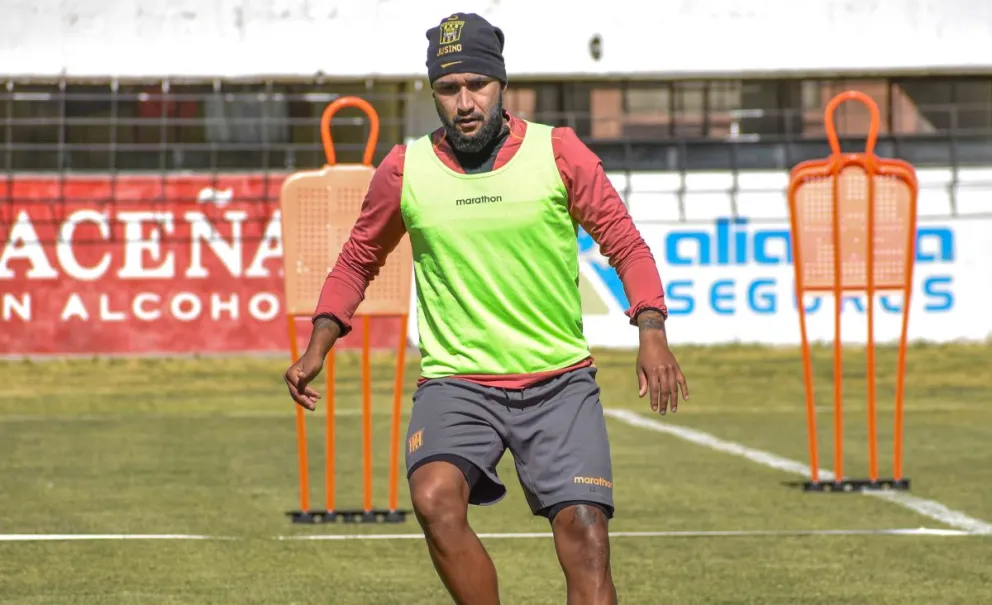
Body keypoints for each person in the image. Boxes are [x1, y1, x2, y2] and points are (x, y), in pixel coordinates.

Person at [284, 12, 689, 605]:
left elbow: (624, 242)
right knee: (433, 498)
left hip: (559, 382)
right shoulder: (405, 168)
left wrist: (650, 328)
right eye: (448, 89)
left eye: (477, 84)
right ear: (435, 95)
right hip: (458, 383)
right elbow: (357, 260)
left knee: (585, 533)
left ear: (503, 85)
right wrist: (318, 344)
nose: (465, 101)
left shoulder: (560, 152)